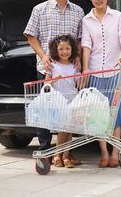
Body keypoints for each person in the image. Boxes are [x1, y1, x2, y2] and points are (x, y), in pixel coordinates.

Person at [24, 0, 84, 165]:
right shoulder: (40, 9)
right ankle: (44, 150)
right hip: (47, 68)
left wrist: (78, 59)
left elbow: (80, 39)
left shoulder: (78, 11)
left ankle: (65, 153)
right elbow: (30, 35)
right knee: (46, 111)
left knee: (68, 111)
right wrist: (43, 55)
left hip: (69, 70)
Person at [81, 0, 121, 168]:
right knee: (97, 116)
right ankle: (103, 153)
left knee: (115, 114)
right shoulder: (86, 20)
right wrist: (86, 68)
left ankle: (114, 153)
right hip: (95, 73)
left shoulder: (117, 16)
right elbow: (86, 45)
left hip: (114, 72)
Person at [46, 34, 79, 168]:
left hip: (72, 100)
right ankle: (57, 155)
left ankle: (66, 156)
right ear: (56, 50)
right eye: (61, 49)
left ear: (72, 50)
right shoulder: (53, 66)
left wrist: (83, 76)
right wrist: (54, 80)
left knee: (69, 129)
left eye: (67, 49)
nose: (64, 52)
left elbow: (79, 82)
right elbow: (46, 84)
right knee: (62, 129)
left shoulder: (73, 66)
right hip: (59, 102)